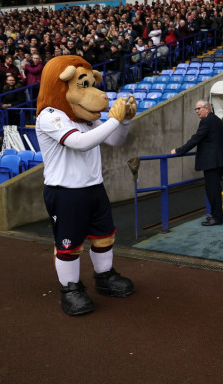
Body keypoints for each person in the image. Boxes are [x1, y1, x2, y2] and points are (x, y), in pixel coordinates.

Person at [35, 56, 136, 316]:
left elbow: (114, 140)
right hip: (65, 191)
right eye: (83, 85)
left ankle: (104, 277)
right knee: (69, 244)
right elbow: (80, 142)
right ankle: (70, 289)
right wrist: (114, 119)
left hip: (94, 188)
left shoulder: (85, 117)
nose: (94, 93)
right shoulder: (50, 116)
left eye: (91, 84)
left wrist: (123, 121)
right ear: (60, 87)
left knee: (104, 237)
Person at [171, 100, 223, 226]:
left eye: (199, 108)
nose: (197, 111)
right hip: (219, 160)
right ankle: (216, 215)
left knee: (212, 191)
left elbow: (196, 138)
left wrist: (179, 151)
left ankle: (218, 217)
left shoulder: (206, 121)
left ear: (207, 108)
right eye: (196, 109)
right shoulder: (216, 120)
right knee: (214, 190)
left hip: (212, 162)